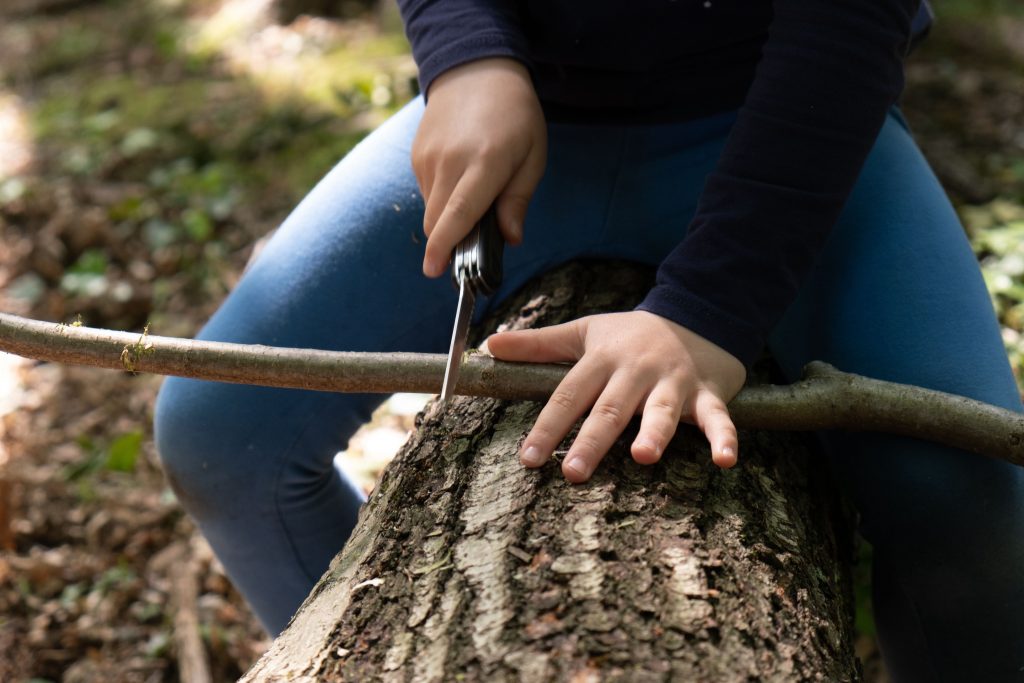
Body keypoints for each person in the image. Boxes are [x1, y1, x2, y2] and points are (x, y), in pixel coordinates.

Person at [154, 1, 1024, 678]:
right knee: (222, 432)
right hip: (528, 127)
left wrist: (708, 310)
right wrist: (465, 53)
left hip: (784, 121)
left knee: (966, 490)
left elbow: (849, 23)